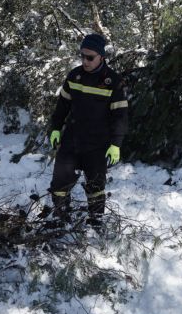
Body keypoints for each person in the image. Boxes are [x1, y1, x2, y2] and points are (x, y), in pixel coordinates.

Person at [48, 33, 128, 227]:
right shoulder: (74, 76)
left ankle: (95, 223)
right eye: (82, 56)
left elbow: (121, 116)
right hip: (72, 140)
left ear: (101, 56)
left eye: (90, 57)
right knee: (59, 183)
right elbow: (62, 106)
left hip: (98, 144)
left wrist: (116, 144)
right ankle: (61, 218)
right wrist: (55, 129)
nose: (85, 61)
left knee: (95, 187)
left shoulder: (113, 81)